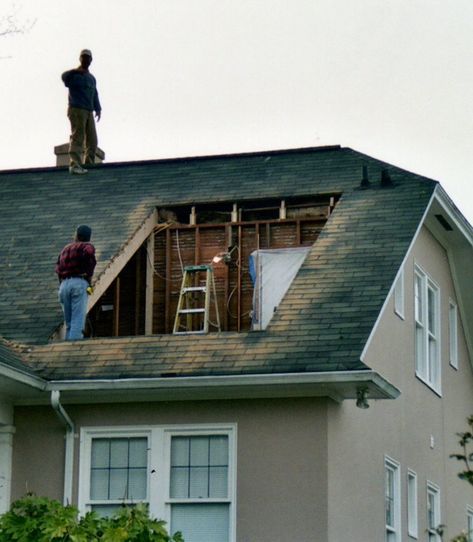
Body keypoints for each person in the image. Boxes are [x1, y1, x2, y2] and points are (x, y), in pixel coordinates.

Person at [62, 49, 101, 175]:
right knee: (78, 137)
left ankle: (89, 164)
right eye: (83, 57)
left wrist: (98, 108)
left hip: (88, 110)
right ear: (80, 59)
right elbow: (63, 77)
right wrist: (75, 71)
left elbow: (95, 93)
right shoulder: (74, 75)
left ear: (91, 60)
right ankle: (75, 164)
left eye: (88, 58)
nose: (86, 60)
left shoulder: (91, 78)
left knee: (92, 140)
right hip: (77, 108)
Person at [56, 225, 96, 340]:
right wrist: (89, 282)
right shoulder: (87, 247)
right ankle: (73, 349)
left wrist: (62, 285)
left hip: (64, 285)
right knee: (77, 322)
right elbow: (89, 256)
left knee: (69, 324)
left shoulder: (65, 249)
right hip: (79, 283)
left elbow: (58, 268)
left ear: (77, 235)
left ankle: (67, 348)